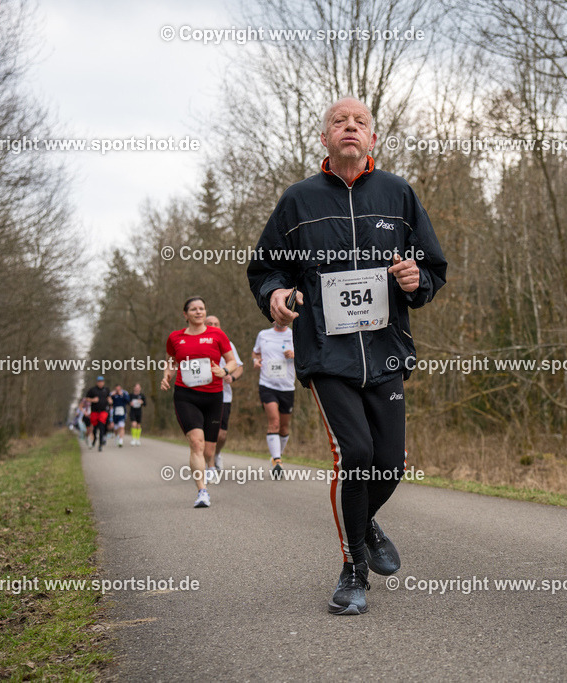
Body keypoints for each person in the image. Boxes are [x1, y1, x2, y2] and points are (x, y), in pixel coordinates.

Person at [248, 97, 448, 614]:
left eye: (360, 122)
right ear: (325, 139)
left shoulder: (398, 193)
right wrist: (275, 294)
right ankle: (353, 568)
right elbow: (267, 268)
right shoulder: (299, 200)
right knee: (354, 453)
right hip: (326, 353)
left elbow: (431, 269)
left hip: (385, 351)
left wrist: (416, 279)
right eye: (340, 121)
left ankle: (362, 522)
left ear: (373, 139)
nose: (350, 128)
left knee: (390, 464)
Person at [161, 297, 240, 508]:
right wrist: (167, 375)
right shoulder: (175, 338)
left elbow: (232, 361)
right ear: (185, 314)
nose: (199, 312)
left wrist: (224, 370)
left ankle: (210, 466)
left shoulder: (217, 334)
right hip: (186, 396)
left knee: (209, 450)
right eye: (193, 309)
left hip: (213, 396)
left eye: (202, 308)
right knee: (196, 443)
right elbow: (170, 361)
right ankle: (202, 491)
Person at [252, 322, 296, 479]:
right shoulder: (263, 334)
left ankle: (277, 455)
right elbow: (256, 353)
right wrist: (256, 361)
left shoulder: (294, 334)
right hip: (267, 385)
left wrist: (294, 355)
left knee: (284, 428)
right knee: (274, 422)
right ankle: (277, 461)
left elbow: (307, 356)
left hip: (287, 387)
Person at [204, 315, 244, 475]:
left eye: (216, 324)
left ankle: (216, 453)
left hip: (223, 395)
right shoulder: (198, 344)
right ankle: (210, 464)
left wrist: (231, 376)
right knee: (207, 432)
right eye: (210, 324)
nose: (213, 326)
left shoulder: (228, 344)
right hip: (203, 394)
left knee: (221, 435)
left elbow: (239, 367)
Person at [85, 375, 112, 452]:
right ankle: (95, 439)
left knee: (102, 426)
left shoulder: (106, 390)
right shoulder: (92, 390)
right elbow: (86, 398)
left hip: (103, 411)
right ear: (97, 382)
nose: (101, 383)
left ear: (103, 382)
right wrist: (93, 400)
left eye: (102, 382)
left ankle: (100, 444)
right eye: (99, 382)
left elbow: (109, 397)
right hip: (94, 412)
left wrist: (110, 401)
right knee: (95, 427)